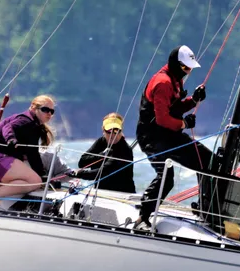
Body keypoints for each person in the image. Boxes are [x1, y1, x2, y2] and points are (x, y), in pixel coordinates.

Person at [135, 45, 215, 229]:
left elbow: (174, 108)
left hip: (168, 135)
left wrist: (193, 100)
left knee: (207, 161)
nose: (188, 71)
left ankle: (206, 209)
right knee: (166, 177)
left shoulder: (174, 79)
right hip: (153, 138)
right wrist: (184, 124)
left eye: (190, 68)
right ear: (174, 64)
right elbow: (163, 119)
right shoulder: (163, 82)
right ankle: (143, 216)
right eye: (185, 67)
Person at [0, 95, 56, 209]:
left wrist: (44, 176)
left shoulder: (32, 125)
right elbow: (8, 127)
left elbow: (33, 154)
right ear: (33, 108)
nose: (49, 113)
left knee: (3, 191)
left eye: (51, 111)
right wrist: (11, 139)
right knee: (35, 181)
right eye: (45, 109)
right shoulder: (26, 121)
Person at [74, 112, 136, 194]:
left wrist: (79, 173)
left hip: (122, 195)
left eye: (116, 130)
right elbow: (82, 162)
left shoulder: (124, 149)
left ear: (121, 130)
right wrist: (101, 156)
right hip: (101, 192)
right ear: (103, 129)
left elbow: (103, 173)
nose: (113, 135)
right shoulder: (101, 141)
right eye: (109, 130)